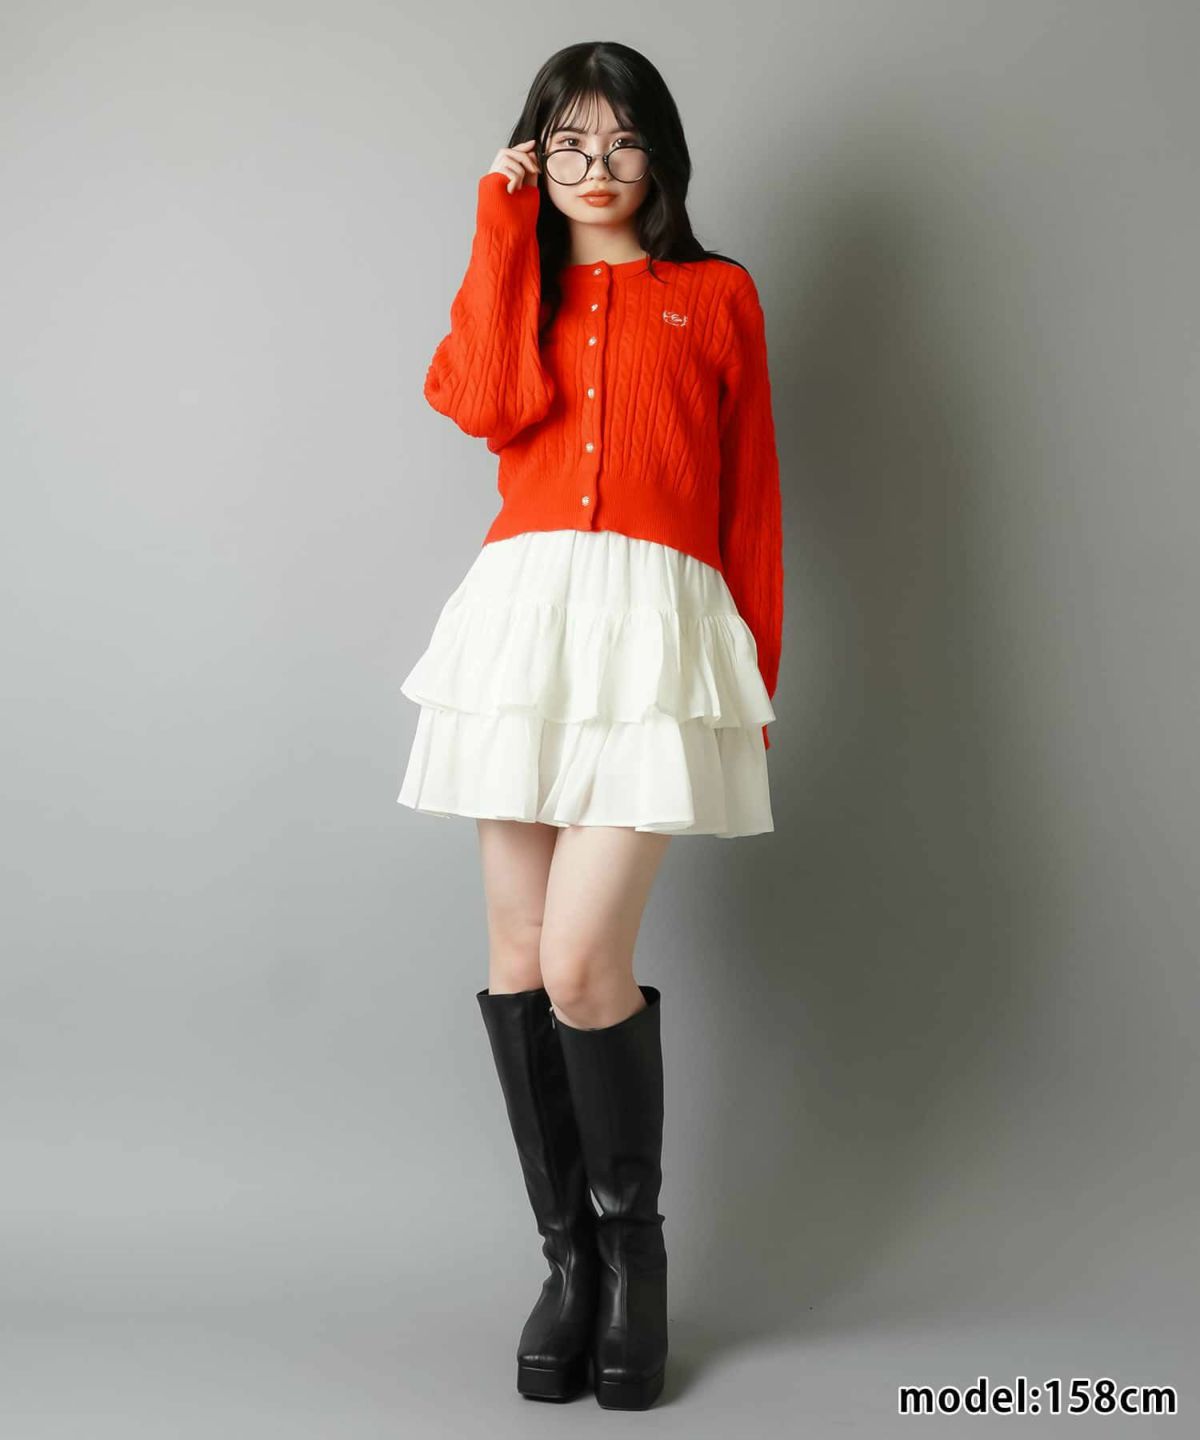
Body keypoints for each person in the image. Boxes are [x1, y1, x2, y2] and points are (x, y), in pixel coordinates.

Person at [397, 40, 783, 1411]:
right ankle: (569, 1268)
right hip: (525, 625)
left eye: (621, 142)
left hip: (659, 632)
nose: (595, 167)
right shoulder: (521, 285)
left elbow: (751, 504)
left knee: (578, 963)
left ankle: (637, 1261)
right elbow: (480, 400)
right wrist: (499, 221)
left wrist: (753, 684)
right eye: (566, 143)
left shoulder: (716, 295)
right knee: (517, 960)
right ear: (535, 156)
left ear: (659, 156)